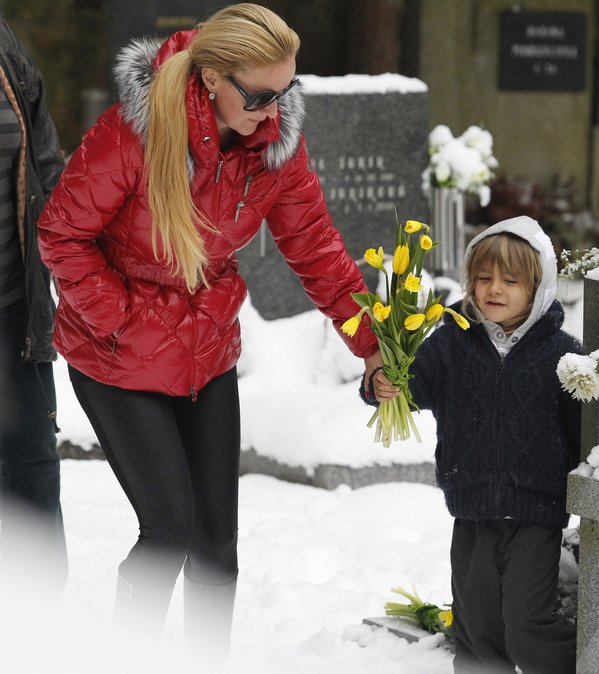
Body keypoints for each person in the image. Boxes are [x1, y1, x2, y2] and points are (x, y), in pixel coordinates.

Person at [36, 3, 381, 653]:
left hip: (206, 352)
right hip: (116, 360)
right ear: (213, 79)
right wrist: (124, 320)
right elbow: (62, 234)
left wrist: (372, 346)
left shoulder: (273, 148)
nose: (274, 110)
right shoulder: (131, 135)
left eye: (287, 91)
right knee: (168, 530)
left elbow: (317, 248)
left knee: (217, 546)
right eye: (259, 95)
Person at [368, 215, 580, 674]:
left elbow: (584, 429)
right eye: (483, 278)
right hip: (472, 510)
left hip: (535, 515)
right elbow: (411, 383)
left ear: (539, 286)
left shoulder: (563, 354)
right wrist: (382, 382)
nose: (494, 289)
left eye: (510, 280)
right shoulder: (450, 343)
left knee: (527, 626)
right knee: (477, 627)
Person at [0, 16, 67, 590]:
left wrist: (80, 246)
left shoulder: (2, 41)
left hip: (12, 307)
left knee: (31, 466)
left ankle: (40, 627)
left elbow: (43, 159)